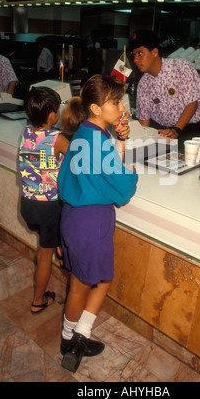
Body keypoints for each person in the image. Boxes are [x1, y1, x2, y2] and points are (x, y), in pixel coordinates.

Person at [57, 75, 138, 373]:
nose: (121, 107)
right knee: (92, 282)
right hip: (92, 222)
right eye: (115, 102)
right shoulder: (99, 143)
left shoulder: (84, 132)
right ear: (95, 108)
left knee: (84, 280)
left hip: (73, 219)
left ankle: (75, 335)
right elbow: (124, 187)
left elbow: (93, 171)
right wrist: (125, 149)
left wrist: (119, 137)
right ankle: (73, 339)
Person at [19, 86, 69, 314]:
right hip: (48, 207)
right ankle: (38, 301)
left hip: (28, 204)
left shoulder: (26, 133)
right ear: (52, 115)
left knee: (43, 247)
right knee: (46, 257)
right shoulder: (57, 139)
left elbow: (42, 163)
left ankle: (49, 249)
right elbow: (79, 158)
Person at [129, 30, 200, 144]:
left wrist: (176, 129)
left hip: (191, 131)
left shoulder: (181, 67)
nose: (135, 59)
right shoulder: (143, 84)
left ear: (154, 52)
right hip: (165, 133)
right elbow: (144, 122)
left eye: (140, 53)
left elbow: (192, 103)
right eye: (134, 54)